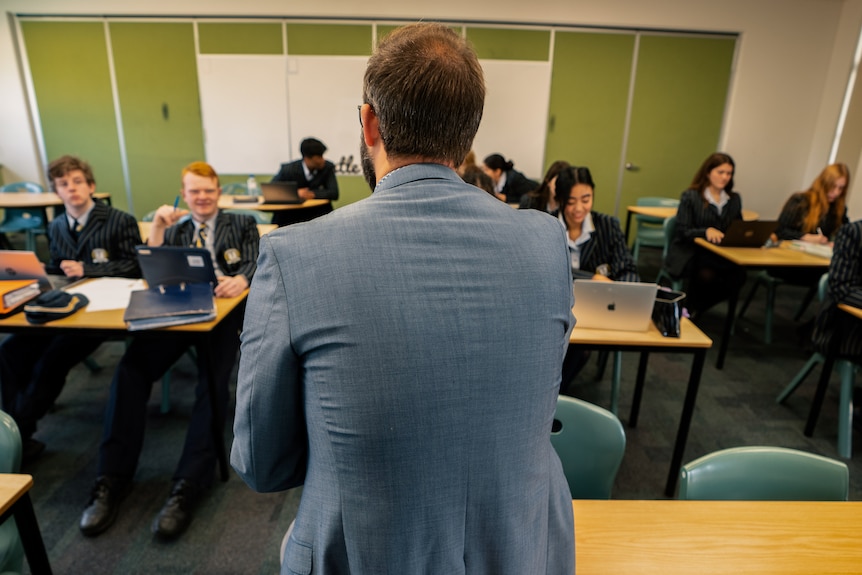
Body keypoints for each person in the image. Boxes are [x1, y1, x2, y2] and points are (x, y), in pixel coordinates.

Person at [231, 23, 575, 574]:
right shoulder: (546, 241)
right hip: (523, 547)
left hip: (365, 554)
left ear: (369, 122)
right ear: (469, 136)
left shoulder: (293, 256)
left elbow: (262, 464)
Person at [79, 161, 259, 540]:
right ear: (184, 193)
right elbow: (151, 272)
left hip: (223, 318)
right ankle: (111, 477)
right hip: (177, 315)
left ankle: (188, 485)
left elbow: (259, 258)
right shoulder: (175, 230)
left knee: (212, 383)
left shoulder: (241, 223)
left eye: (209, 190)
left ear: (218, 192)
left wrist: (242, 278)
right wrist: (159, 228)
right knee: (130, 369)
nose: (202, 198)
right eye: (194, 191)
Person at [0, 155, 141, 462]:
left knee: (51, 360)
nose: (72, 189)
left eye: (78, 182)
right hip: (61, 306)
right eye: (64, 184)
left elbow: (134, 266)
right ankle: (10, 427)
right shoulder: (57, 225)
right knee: (10, 353)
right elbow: (55, 266)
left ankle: (20, 436)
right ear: (57, 191)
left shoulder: (120, 220)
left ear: (91, 186)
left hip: (100, 312)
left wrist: (88, 268)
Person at [553, 166, 640, 392]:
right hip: (554, 307)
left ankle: (555, 398)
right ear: (560, 200)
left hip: (595, 310)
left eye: (586, 199)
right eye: (571, 202)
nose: (579, 208)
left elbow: (628, 269)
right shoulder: (547, 224)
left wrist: (623, 290)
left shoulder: (607, 226)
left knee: (579, 349)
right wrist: (592, 277)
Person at [663, 152, 746, 317]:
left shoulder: (733, 199)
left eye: (729, 173)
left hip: (720, 252)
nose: (725, 177)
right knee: (706, 273)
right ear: (708, 173)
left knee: (739, 275)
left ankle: (697, 307)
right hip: (690, 250)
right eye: (720, 172)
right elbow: (683, 230)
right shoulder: (691, 196)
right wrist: (705, 231)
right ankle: (692, 307)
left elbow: (737, 227)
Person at [772, 163, 851, 286]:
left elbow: (848, 232)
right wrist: (807, 237)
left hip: (817, 261)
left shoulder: (838, 208)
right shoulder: (800, 201)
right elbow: (780, 231)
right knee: (835, 277)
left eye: (841, 188)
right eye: (833, 186)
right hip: (790, 261)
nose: (836, 193)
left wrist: (837, 243)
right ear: (823, 183)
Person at [270, 137, 339, 226]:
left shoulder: (327, 167)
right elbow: (272, 190)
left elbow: (334, 193)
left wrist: (312, 194)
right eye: (319, 157)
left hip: (318, 214)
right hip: (291, 216)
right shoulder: (288, 169)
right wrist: (295, 193)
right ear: (307, 158)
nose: (323, 160)